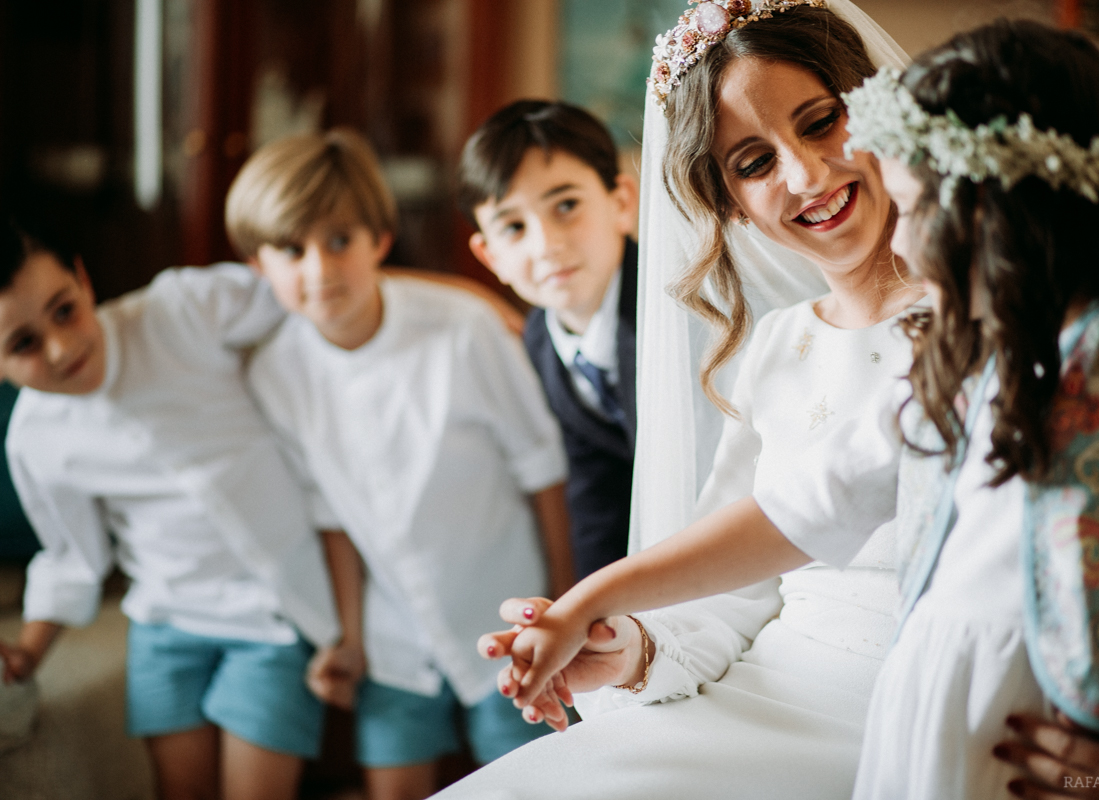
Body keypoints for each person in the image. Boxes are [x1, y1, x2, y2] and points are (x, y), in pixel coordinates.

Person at [434, 2, 917, 798]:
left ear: (879, 104)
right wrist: (626, 644)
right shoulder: (777, 346)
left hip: (904, 710)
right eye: (754, 163)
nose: (805, 176)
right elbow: (730, 595)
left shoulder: (990, 319)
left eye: (823, 121)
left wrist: (602, 593)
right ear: (726, 202)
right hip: (764, 691)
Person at [842, 20, 1099, 799]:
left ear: (997, 206)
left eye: (907, 206)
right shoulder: (974, 362)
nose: (896, 243)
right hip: (928, 743)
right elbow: (803, 499)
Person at [226, 128, 574, 800]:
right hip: (393, 639)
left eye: (339, 242)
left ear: (380, 241)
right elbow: (333, 521)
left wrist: (564, 607)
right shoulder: (274, 372)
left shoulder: (465, 329)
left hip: (507, 618)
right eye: (291, 251)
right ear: (256, 266)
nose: (319, 271)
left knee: (538, 779)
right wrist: (347, 640)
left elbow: (545, 473)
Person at [0, 218, 342, 800]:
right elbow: (72, 557)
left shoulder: (181, 308)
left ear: (83, 279)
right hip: (165, 625)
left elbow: (315, 290)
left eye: (64, 310)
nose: (61, 348)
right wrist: (28, 651)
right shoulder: (35, 440)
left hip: (271, 617)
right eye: (23, 344)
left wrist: (463, 304)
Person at [459, 100, 639, 580]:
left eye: (566, 206)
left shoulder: (677, 306)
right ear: (488, 254)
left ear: (621, 202)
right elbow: (594, 488)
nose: (546, 245)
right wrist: (587, 611)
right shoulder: (541, 340)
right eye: (514, 227)